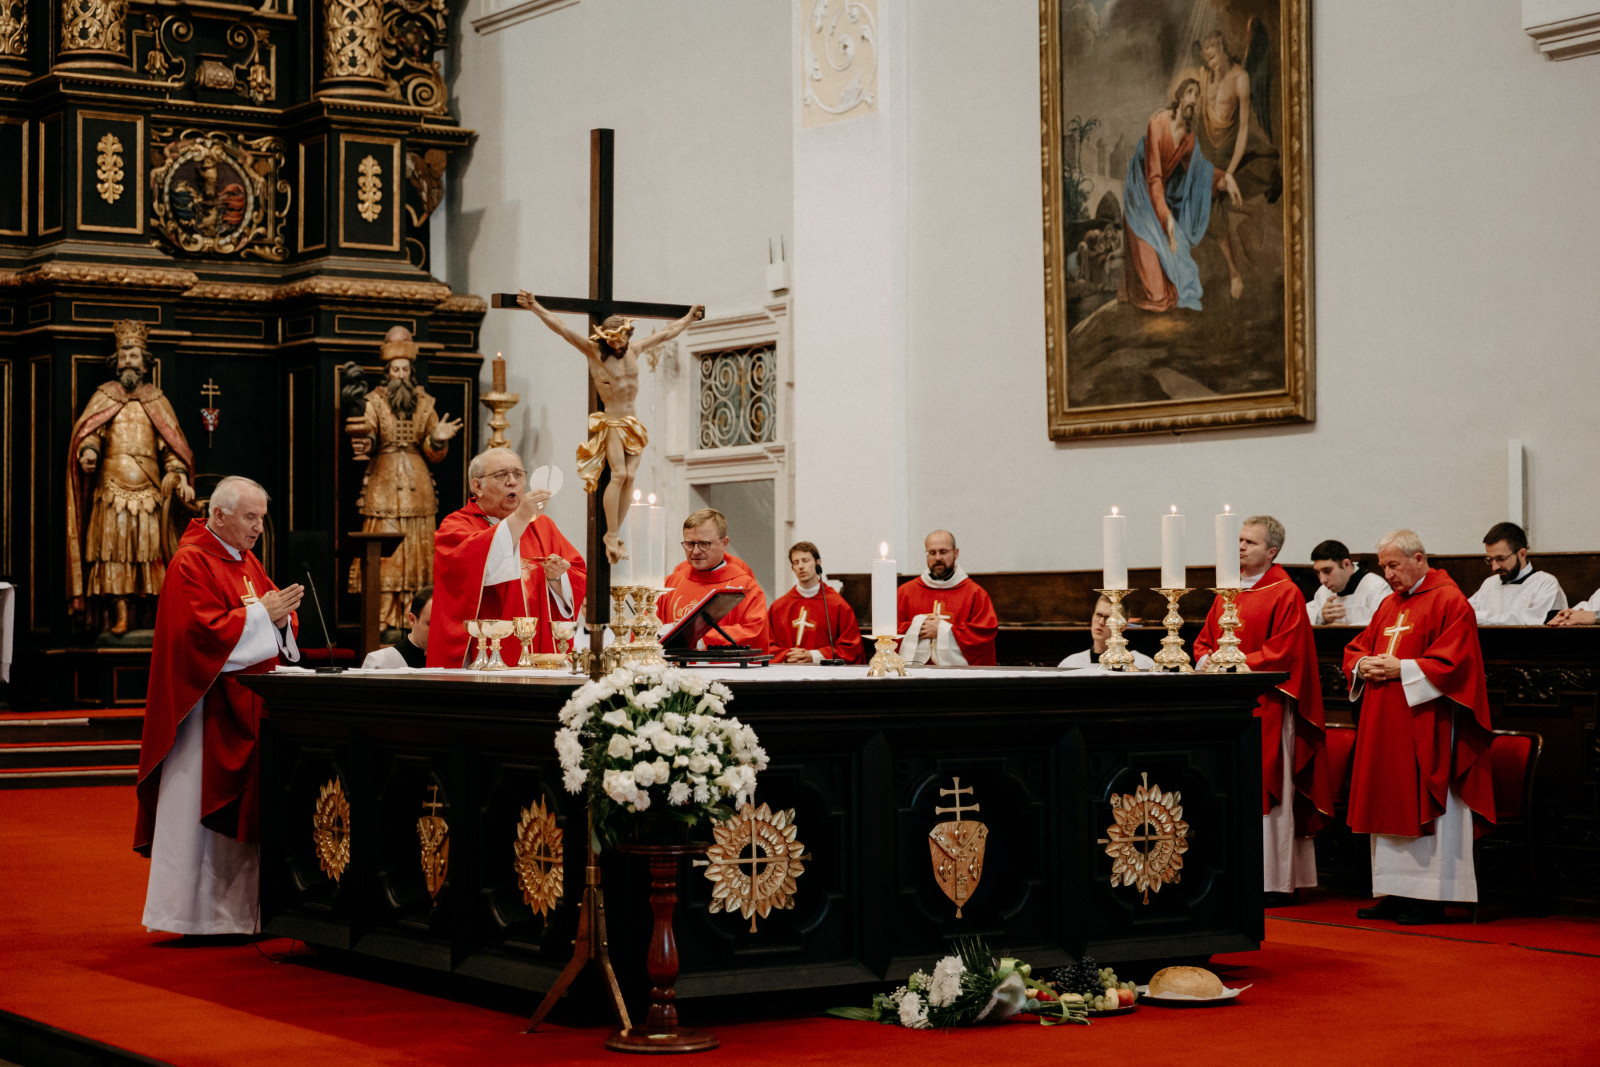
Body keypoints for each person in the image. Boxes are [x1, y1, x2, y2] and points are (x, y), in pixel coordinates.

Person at [136, 476, 302, 936]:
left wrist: (284, 619)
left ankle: (238, 915)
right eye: (250, 518)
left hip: (244, 704)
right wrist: (261, 616)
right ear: (219, 515)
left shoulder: (247, 562)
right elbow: (198, 635)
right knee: (196, 813)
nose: (257, 530)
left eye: (262, 520)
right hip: (203, 713)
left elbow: (270, 623)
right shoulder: (191, 561)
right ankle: (192, 916)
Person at [1344, 529, 1494, 925]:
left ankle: (1431, 896)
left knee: (1424, 802)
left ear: (1419, 559)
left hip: (1429, 723)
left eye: (1394, 565)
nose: (1389, 574)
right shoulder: (1389, 606)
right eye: (1383, 567)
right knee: (1388, 800)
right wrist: (1363, 665)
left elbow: (1456, 662)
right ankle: (1395, 892)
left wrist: (1404, 668)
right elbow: (1359, 646)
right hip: (1384, 723)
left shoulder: (1450, 600)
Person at [1193, 515, 1333, 897]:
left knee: (1267, 783)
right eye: (1238, 540)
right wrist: (1207, 660)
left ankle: (1270, 880)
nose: (1239, 547)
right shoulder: (1227, 591)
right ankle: (1233, 875)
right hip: (1227, 705)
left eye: (1249, 543)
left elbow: (1284, 652)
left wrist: (1232, 664)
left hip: (1269, 704)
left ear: (1272, 552)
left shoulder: (1286, 593)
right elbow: (1204, 640)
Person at [516, 290, 703, 563]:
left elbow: (666, 333)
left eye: (623, 338)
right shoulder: (594, 352)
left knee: (630, 476)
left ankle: (617, 529)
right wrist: (534, 306)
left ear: (628, 335)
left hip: (633, 421)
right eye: (613, 341)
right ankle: (611, 534)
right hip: (613, 420)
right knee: (618, 474)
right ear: (604, 339)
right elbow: (563, 329)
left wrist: (688, 318)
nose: (619, 345)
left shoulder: (635, 350)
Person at [67, 319, 197, 634]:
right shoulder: (104, 395)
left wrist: (178, 472)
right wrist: (88, 451)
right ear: (115, 361)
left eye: (134, 354)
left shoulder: (156, 399)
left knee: (151, 554)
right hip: (110, 488)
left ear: (145, 361)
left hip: (149, 491)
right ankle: (120, 613)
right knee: (113, 553)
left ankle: (153, 615)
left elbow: (170, 446)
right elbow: (92, 431)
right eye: (123, 354)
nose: (128, 360)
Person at [342, 326, 462, 632]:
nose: (400, 375)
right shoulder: (374, 401)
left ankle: (417, 620)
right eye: (395, 369)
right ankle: (383, 619)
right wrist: (362, 437)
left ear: (412, 371)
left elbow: (433, 451)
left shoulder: (425, 403)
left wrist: (437, 438)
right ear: (387, 371)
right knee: (385, 555)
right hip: (383, 482)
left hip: (418, 484)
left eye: (405, 369)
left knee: (417, 549)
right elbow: (366, 437)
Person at [428, 447, 585, 668]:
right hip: (485, 657)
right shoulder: (456, 525)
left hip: (540, 651)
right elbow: (471, 572)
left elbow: (579, 573)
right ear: (477, 486)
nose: (512, 482)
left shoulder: (543, 527)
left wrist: (558, 579)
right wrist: (520, 516)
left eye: (518, 474)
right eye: (501, 475)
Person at [1118, 77, 1219, 313]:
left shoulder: (1188, 139)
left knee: (1170, 287)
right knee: (1158, 297)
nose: (1193, 99)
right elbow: (1153, 177)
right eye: (1190, 93)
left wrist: (1225, 179)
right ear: (1180, 96)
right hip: (1140, 192)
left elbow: (1199, 171)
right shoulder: (1157, 122)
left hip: (1158, 196)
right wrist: (1166, 218)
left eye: (1197, 95)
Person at [1196, 27, 1281, 300]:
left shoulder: (1240, 78)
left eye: (1213, 57)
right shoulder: (1205, 77)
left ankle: (1252, 216)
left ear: (1222, 49)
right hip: (1209, 151)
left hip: (1234, 149)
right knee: (1209, 205)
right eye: (1206, 58)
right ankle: (1234, 271)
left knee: (1262, 173)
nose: (1210, 63)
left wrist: (1230, 172)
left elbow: (1243, 128)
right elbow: (1200, 120)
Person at [657, 508, 769, 648]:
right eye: (690, 544)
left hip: (724, 670)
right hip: (674, 669)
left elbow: (754, 631)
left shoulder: (745, 586)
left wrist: (695, 639)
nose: (696, 551)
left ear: (724, 543)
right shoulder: (669, 584)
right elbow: (645, 631)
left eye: (704, 544)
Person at [897, 531, 998, 666]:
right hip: (913, 679)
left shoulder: (975, 593)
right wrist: (918, 627)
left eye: (943, 552)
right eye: (932, 553)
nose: (938, 557)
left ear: (955, 553)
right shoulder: (905, 592)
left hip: (958, 681)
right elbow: (889, 631)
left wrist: (942, 629)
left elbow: (983, 633)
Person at [767, 542, 864, 665]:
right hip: (787, 675)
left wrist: (813, 656)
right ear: (792, 568)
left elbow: (851, 648)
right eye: (796, 562)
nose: (801, 566)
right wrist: (788, 655)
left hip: (825, 678)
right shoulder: (779, 607)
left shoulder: (837, 605)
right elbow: (766, 645)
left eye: (805, 560)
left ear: (818, 563)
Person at [1467, 522, 1567, 625]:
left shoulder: (1545, 584)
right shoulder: (1489, 583)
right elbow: (1464, 612)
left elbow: (1532, 622)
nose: (1494, 567)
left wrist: (1480, 617)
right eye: (1490, 559)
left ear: (1522, 554)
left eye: (1500, 558)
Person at [1306, 539, 1390, 626]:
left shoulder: (1376, 586)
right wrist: (1321, 617)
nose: (1322, 580)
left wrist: (1346, 629)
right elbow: (1301, 617)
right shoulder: (1323, 591)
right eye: (1318, 573)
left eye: (1327, 571)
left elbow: (1385, 621)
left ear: (1346, 564)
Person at [1058, 595, 1155, 669]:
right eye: (1098, 615)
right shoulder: (1071, 664)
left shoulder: (1142, 663)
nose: (1100, 622)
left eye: (1108, 618)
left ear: (1123, 626)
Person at [361, 585, 432, 669]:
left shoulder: (450, 662)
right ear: (412, 620)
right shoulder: (379, 662)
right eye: (430, 624)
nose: (437, 632)